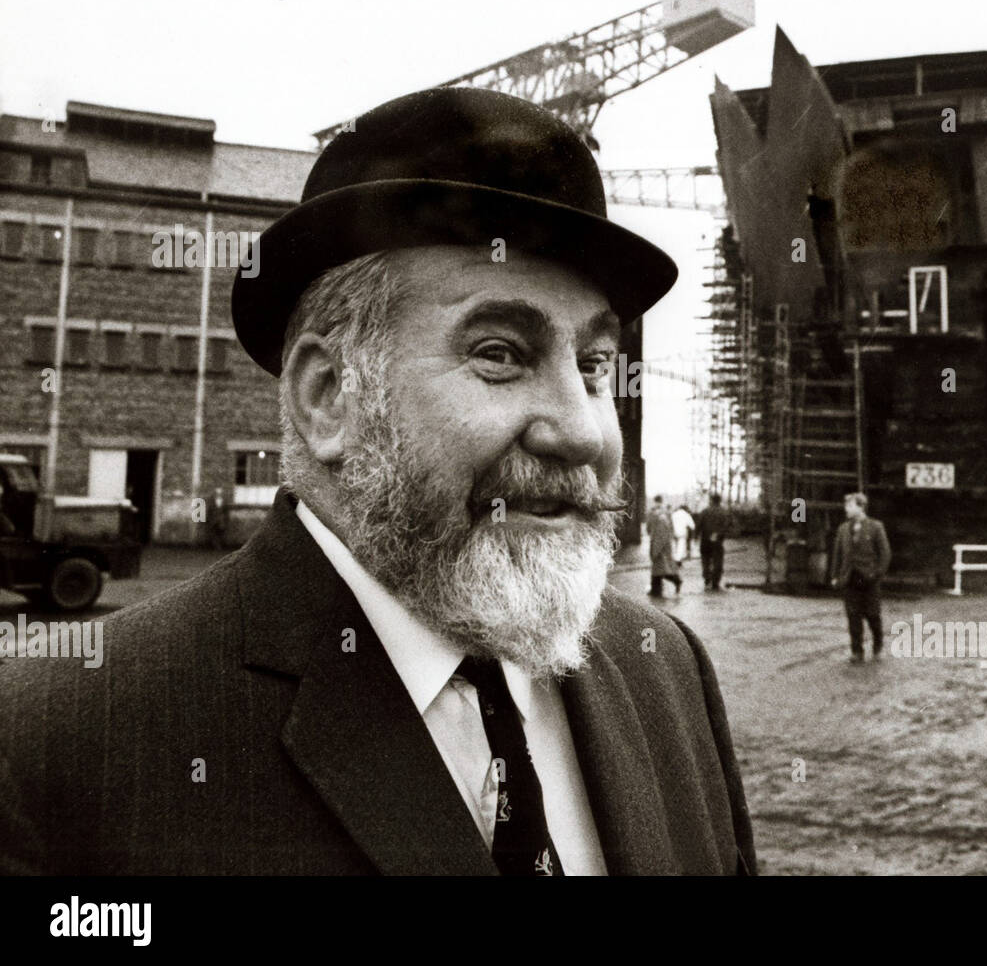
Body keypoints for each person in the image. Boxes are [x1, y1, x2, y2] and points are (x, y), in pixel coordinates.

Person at [0, 87, 755, 877]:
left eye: (595, 366)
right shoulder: (60, 748)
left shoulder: (666, 670)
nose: (584, 431)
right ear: (329, 397)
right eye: (500, 353)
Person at [830, 492, 891, 663]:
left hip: (869, 579)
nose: (846, 509)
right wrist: (835, 575)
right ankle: (857, 652)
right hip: (850, 578)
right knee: (853, 616)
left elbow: (885, 553)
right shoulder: (843, 529)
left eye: (849, 506)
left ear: (860, 507)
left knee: (873, 615)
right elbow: (837, 554)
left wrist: (877, 574)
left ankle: (878, 647)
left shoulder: (875, 527)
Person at [647, 495, 680, 598]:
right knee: (661, 567)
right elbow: (670, 528)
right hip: (664, 544)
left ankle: (674, 581)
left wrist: (655, 546)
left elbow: (649, 529)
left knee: (660, 567)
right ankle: (656, 588)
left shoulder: (655, 513)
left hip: (658, 543)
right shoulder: (666, 512)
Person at [696, 493, 730, 591]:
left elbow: (699, 524)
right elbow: (727, 526)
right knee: (718, 561)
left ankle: (707, 579)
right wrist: (719, 534)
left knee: (705, 560)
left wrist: (696, 536)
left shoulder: (705, 511)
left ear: (711, 500)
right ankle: (715, 582)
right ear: (720, 501)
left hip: (705, 540)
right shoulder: (724, 512)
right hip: (718, 541)